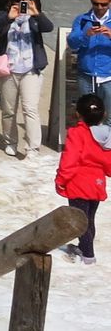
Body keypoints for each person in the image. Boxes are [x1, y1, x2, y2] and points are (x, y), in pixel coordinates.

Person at [0, 0, 52, 159]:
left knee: (30, 109)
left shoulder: (35, 18)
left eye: (25, 0)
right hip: (8, 69)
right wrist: (9, 17)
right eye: (17, 0)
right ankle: (10, 142)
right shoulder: (5, 15)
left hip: (31, 69)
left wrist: (36, 13)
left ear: (31, 1)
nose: (20, 3)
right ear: (12, 1)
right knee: (8, 109)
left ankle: (33, 148)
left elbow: (49, 27)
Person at [56, 94, 111, 265]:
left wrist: (61, 179)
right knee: (89, 219)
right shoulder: (107, 136)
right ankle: (84, 248)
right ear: (104, 114)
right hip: (97, 185)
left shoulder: (77, 133)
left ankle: (88, 255)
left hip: (78, 183)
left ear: (78, 114)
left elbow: (70, 160)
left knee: (81, 221)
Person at [68, 0, 111, 100]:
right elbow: (72, 43)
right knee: (87, 114)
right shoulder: (82, 20)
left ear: (110, 2)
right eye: (95, 4)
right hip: (86, 75)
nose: (99, 8)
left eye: (104, 4)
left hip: (108, 76)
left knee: (109, 116)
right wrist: (85, 35)